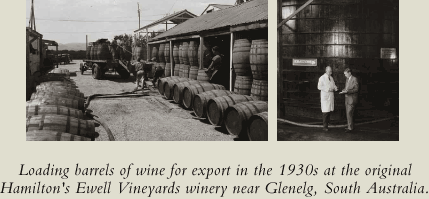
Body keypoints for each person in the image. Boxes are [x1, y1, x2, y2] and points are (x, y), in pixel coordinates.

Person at [317, 66, 338, 131]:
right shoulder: (322, 78)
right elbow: (319, 87)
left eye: (331, 71)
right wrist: (328, 89)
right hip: (325, 97)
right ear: (326, 71)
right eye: (329, 71)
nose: (330, 73)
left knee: (329, 112)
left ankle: (327, 124)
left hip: (330, 96)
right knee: (325, 112)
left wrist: (335, 88)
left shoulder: (331, 78)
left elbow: (333, 84)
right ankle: (325, 127)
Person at [342, 68, 359, 133]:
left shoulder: (354, 79)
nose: (345, 75)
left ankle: (350, 128)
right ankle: (350, 126)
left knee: (349, 113)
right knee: (348, 113)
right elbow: (346, 88)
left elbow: (356, 89)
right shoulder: (347, 79)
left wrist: (348, 91)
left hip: (351, 99)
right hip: (347, 98)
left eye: (345, 74)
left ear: (349, 73)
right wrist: (344, 90)